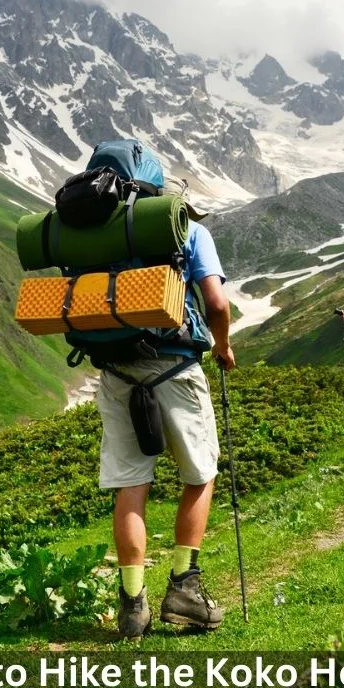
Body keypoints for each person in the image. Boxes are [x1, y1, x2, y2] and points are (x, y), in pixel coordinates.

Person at [95, 177, 236, 640]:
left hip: (114, 369)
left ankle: (133, 606)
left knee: (131, 483)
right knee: (200, 472)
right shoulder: (182, 228)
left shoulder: (97, 231)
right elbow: (215, 301)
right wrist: (223, 346)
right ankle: (184, 590)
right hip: (174, 366)